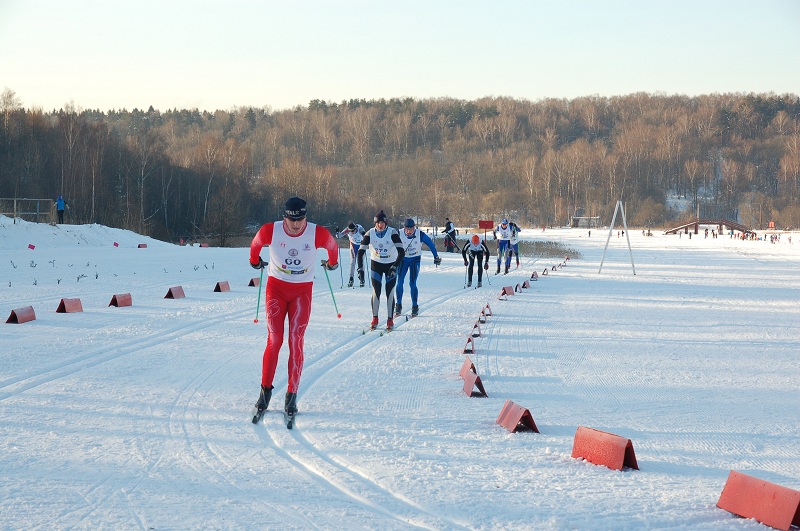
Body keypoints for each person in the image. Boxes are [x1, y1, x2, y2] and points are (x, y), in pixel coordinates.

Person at [249, 196, 339, 426]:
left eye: (300, 220)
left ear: (305, 218)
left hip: (302, 293)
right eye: (292, 220)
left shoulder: (316, 232)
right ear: (284, 217)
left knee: (296, 340)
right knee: (274, 339)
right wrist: (254, 261)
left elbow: (332, 247)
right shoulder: (272, 230)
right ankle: (265, 393)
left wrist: (331, 264)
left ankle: (291, 395)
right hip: (276, 290)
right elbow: (256, 244)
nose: (296, 225)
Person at [357, 210, 405, 331]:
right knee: (375, 291)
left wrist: (395, 266)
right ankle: (375, 318)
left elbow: (401, 252)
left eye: (383, 222)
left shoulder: (392, 232)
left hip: (390, 265)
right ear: (375, 223)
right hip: (376, 265)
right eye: (378, 222)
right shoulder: (370, 233)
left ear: (386, 223)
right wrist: (360, 269)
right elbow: (360, 252)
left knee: (389, 292)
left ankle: (390, 320)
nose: (380, 225)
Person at [395, 218, 441, 317]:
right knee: (399, 281)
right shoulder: (399, 233)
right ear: (404, 228)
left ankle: (415, 306)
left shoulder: (420, 234)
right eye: (407, 229)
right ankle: (398, 305)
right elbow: (389, 244)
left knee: (412, 283)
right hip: (403, 259)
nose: (409, 231)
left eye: (411, 229)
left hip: (415, 259)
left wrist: (436, 256)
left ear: (414, 228)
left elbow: (430, 244)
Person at [336, 222, 366, 287]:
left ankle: (362, 277)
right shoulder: (347, 230)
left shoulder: (359, 229)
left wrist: (364, 234)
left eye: (353, 231)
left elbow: (365, 235)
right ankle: (351, 278)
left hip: (361, 245)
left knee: (361, 262)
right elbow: (339, 236)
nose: (351, 232)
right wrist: (337, 232)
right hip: (353, 245)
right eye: (350, 231)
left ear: (355, 228)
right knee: (352, 262)